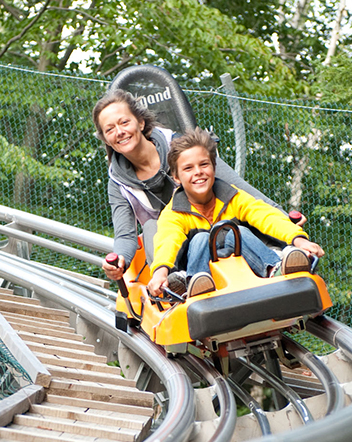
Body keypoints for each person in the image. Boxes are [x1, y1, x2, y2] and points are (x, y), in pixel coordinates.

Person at [92, 90, 294, 282]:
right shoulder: (118, 183)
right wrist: (119, 258)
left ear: (140, 122)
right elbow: (125, 235)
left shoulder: (185, 150)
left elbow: (240, 190)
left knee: (236, 207)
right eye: (110, 129)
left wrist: (284, 220)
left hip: (216, 227)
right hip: (174, 250)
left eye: (124, 122)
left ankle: (277, 260)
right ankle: (174, 283)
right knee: (151, 226)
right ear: (105, 138)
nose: (119, 132)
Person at [147, 128, 325, 299]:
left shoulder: (232, 197)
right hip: (200, 268)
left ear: (214, 168)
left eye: (204, 164)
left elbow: (264, 215)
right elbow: (167, 241)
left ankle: (273, 268)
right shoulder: (174, 213)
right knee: (200, 239)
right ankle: (195, 283)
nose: (198, 172)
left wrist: (298, 239)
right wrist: (160, 272)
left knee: (237, 232)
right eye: (188, 168)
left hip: (243, 266)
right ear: (176, 178)